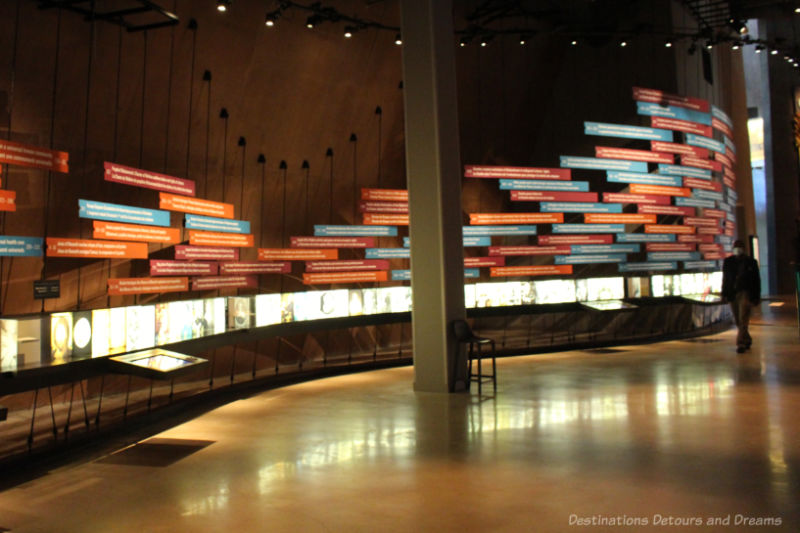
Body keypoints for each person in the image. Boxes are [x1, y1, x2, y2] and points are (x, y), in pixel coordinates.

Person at [721, 239, 761, 353]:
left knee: (743, 317)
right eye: (736, 246)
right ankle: (747, 338)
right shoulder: (728, 262)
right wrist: (724, 293)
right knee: (738, 319)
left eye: (739, 246)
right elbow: (725, 279)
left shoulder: (751, 262)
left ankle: (741, 343)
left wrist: (756, 296)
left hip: (745, 292)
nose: (737, 249)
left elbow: (756, 280)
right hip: (732, 293)